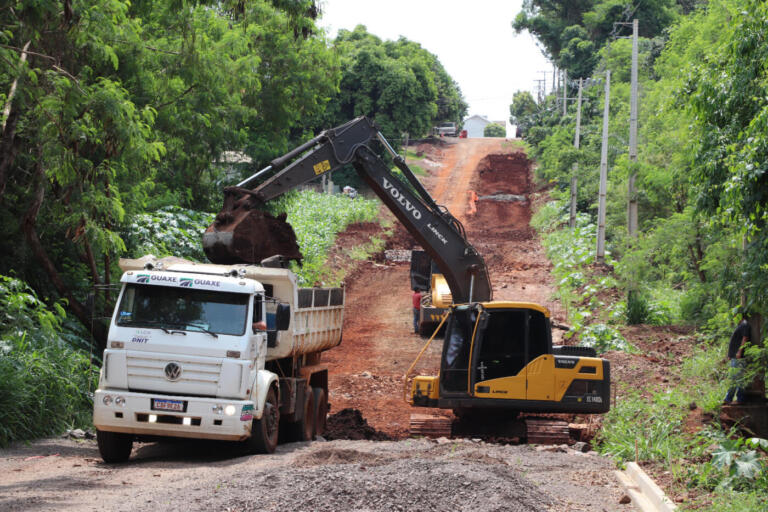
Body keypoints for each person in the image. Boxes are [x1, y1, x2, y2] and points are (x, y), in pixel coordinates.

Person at [724, 315, 751, 404]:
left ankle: (731, 398)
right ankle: (735, 398)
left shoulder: (745, 324)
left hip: (739, 357)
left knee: (736, 377)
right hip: (735, 356)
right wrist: (730, 355)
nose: (734, 318)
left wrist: (739, 352)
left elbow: (745, 338)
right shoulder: (741, 325)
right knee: (736, 377)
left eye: (735, 315)